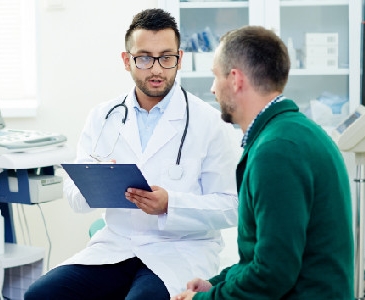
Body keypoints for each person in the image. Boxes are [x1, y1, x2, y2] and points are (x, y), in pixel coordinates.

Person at [25, 8, 241, 299]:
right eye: (143, 58)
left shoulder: (209, 122)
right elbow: (74, 193)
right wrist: (97, 186)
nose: (156, 69)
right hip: (117, 245)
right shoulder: (103, 117)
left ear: (180, 58)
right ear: (127, 61)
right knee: (41, 294)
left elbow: (231, 206)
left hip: (181, 250)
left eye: (166, 57)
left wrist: (170, 205)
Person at [172, 26, 354, 300]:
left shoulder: (276, 151)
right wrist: (216, 285)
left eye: (215, 77)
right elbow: (262, 257)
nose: (212, 89)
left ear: (235, 79)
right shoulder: (295, 132)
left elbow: (272, 274)